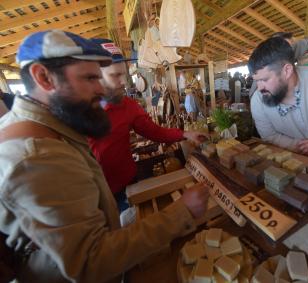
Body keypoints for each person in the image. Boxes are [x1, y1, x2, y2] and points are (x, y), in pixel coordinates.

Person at [0, 30, 209, 283]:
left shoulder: (55, 123)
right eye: (90, 78)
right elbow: (91, 261)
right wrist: (182, 212)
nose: (101, 89)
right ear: (44, 77)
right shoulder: (37, 157)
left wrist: (182, 134)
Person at [89, 38, 208, 211]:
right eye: (115, 75)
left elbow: (154, 132)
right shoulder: (75, 113)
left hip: (129, 186)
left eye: (124, 74)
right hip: (94, 197)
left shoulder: (128, 106)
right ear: (93, 76)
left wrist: (185, 134)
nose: (124, 82)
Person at [249, 32, 308, 97]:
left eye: (290, 46)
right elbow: (254, 92)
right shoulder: (262, 66)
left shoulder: (291, 50)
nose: (287, 51)